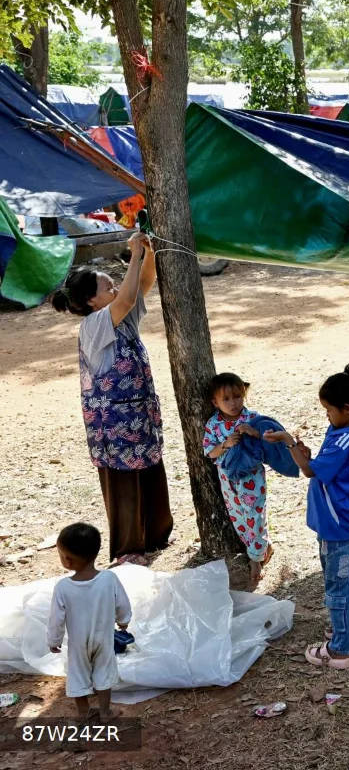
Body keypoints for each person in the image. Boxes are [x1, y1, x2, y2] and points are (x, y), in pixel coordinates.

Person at [52, 233, 173, 565]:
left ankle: (154, 537)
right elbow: (129, 296)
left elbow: (143, 283)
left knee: (149, 473)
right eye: (108, 287)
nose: (116, 289)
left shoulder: (122, 317)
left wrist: (147, 254)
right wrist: (133, 254)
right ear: (92, 301)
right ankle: (127, 551)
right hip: (115, 424)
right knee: (123, 483)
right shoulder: (95, 325)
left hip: (138, 414)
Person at [265, 364, 349, 669]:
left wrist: (288, 441)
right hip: (341, 518)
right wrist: (304, 452)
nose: (326, 415)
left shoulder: (342, 440)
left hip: (337, 523)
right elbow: (318, 463)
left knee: (340, 585)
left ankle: (341, 648)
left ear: (347, 408)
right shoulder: (345, 429)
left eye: (328, 410)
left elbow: (311, 470)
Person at [47, 522, 132, 723]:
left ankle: (83, 713)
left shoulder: (63, 587)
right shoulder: (109, 579)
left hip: (77, 644)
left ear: (67, 560)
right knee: (104, 672)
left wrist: (54, 640)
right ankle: (104, 712)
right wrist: (124, 621)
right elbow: (122, 603)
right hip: (103, 639)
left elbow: (56, 618)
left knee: (78, 675)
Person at [203, 373, 276, 588]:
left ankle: (255, 559)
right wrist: (225, 444)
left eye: (237, 397)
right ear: (215, 402)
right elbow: (210, 452)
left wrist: (253, 433)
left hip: (252, 478)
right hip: (228, 481)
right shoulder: (213, 425)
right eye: (226, 399)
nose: (233, 403)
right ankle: (263, 547)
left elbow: (269, 443)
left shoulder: (253, 419)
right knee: (239, 519)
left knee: (254, 515)